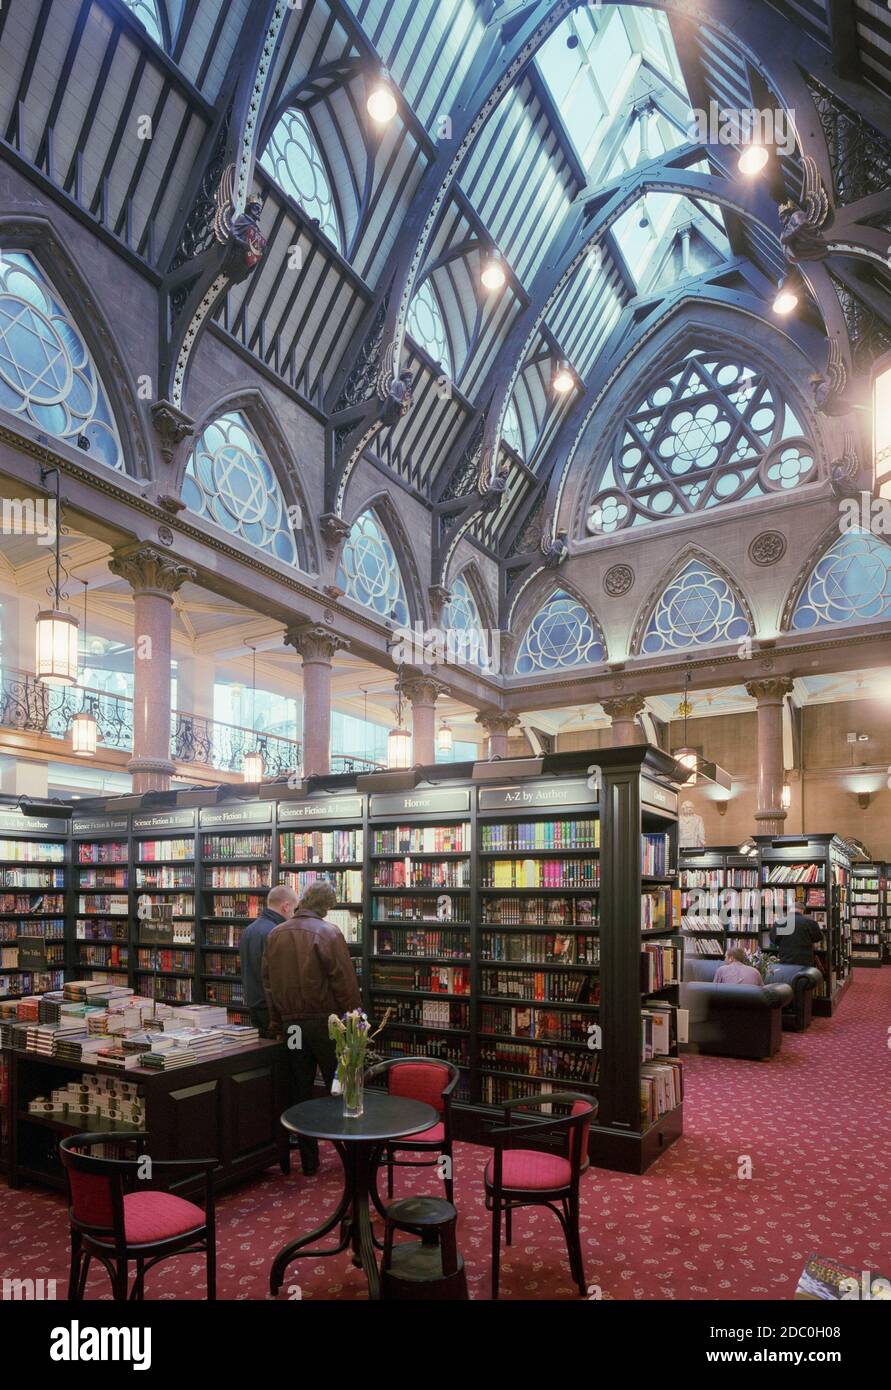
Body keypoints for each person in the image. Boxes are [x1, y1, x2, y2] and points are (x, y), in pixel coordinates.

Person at [262, 881, 362, 1176]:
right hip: (326, 1025)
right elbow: (344, 983)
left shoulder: (275, 935)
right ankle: (350, 1154)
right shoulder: (328, 933)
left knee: (299, 1089)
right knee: (343, 1085)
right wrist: (355, 1022)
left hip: (293, 1026)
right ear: (325, 906)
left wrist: (276, 1022)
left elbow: (269, 986)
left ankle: (308, 1161)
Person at [240, 884, 299, 1035]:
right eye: (293, 909)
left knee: (263, 1053)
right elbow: (280, 977)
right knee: (286, 1053)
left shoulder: (248, 930)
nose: (293, 914)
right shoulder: (277, 933)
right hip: (273, 1010)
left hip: (254, 1003)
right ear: (285, 906)